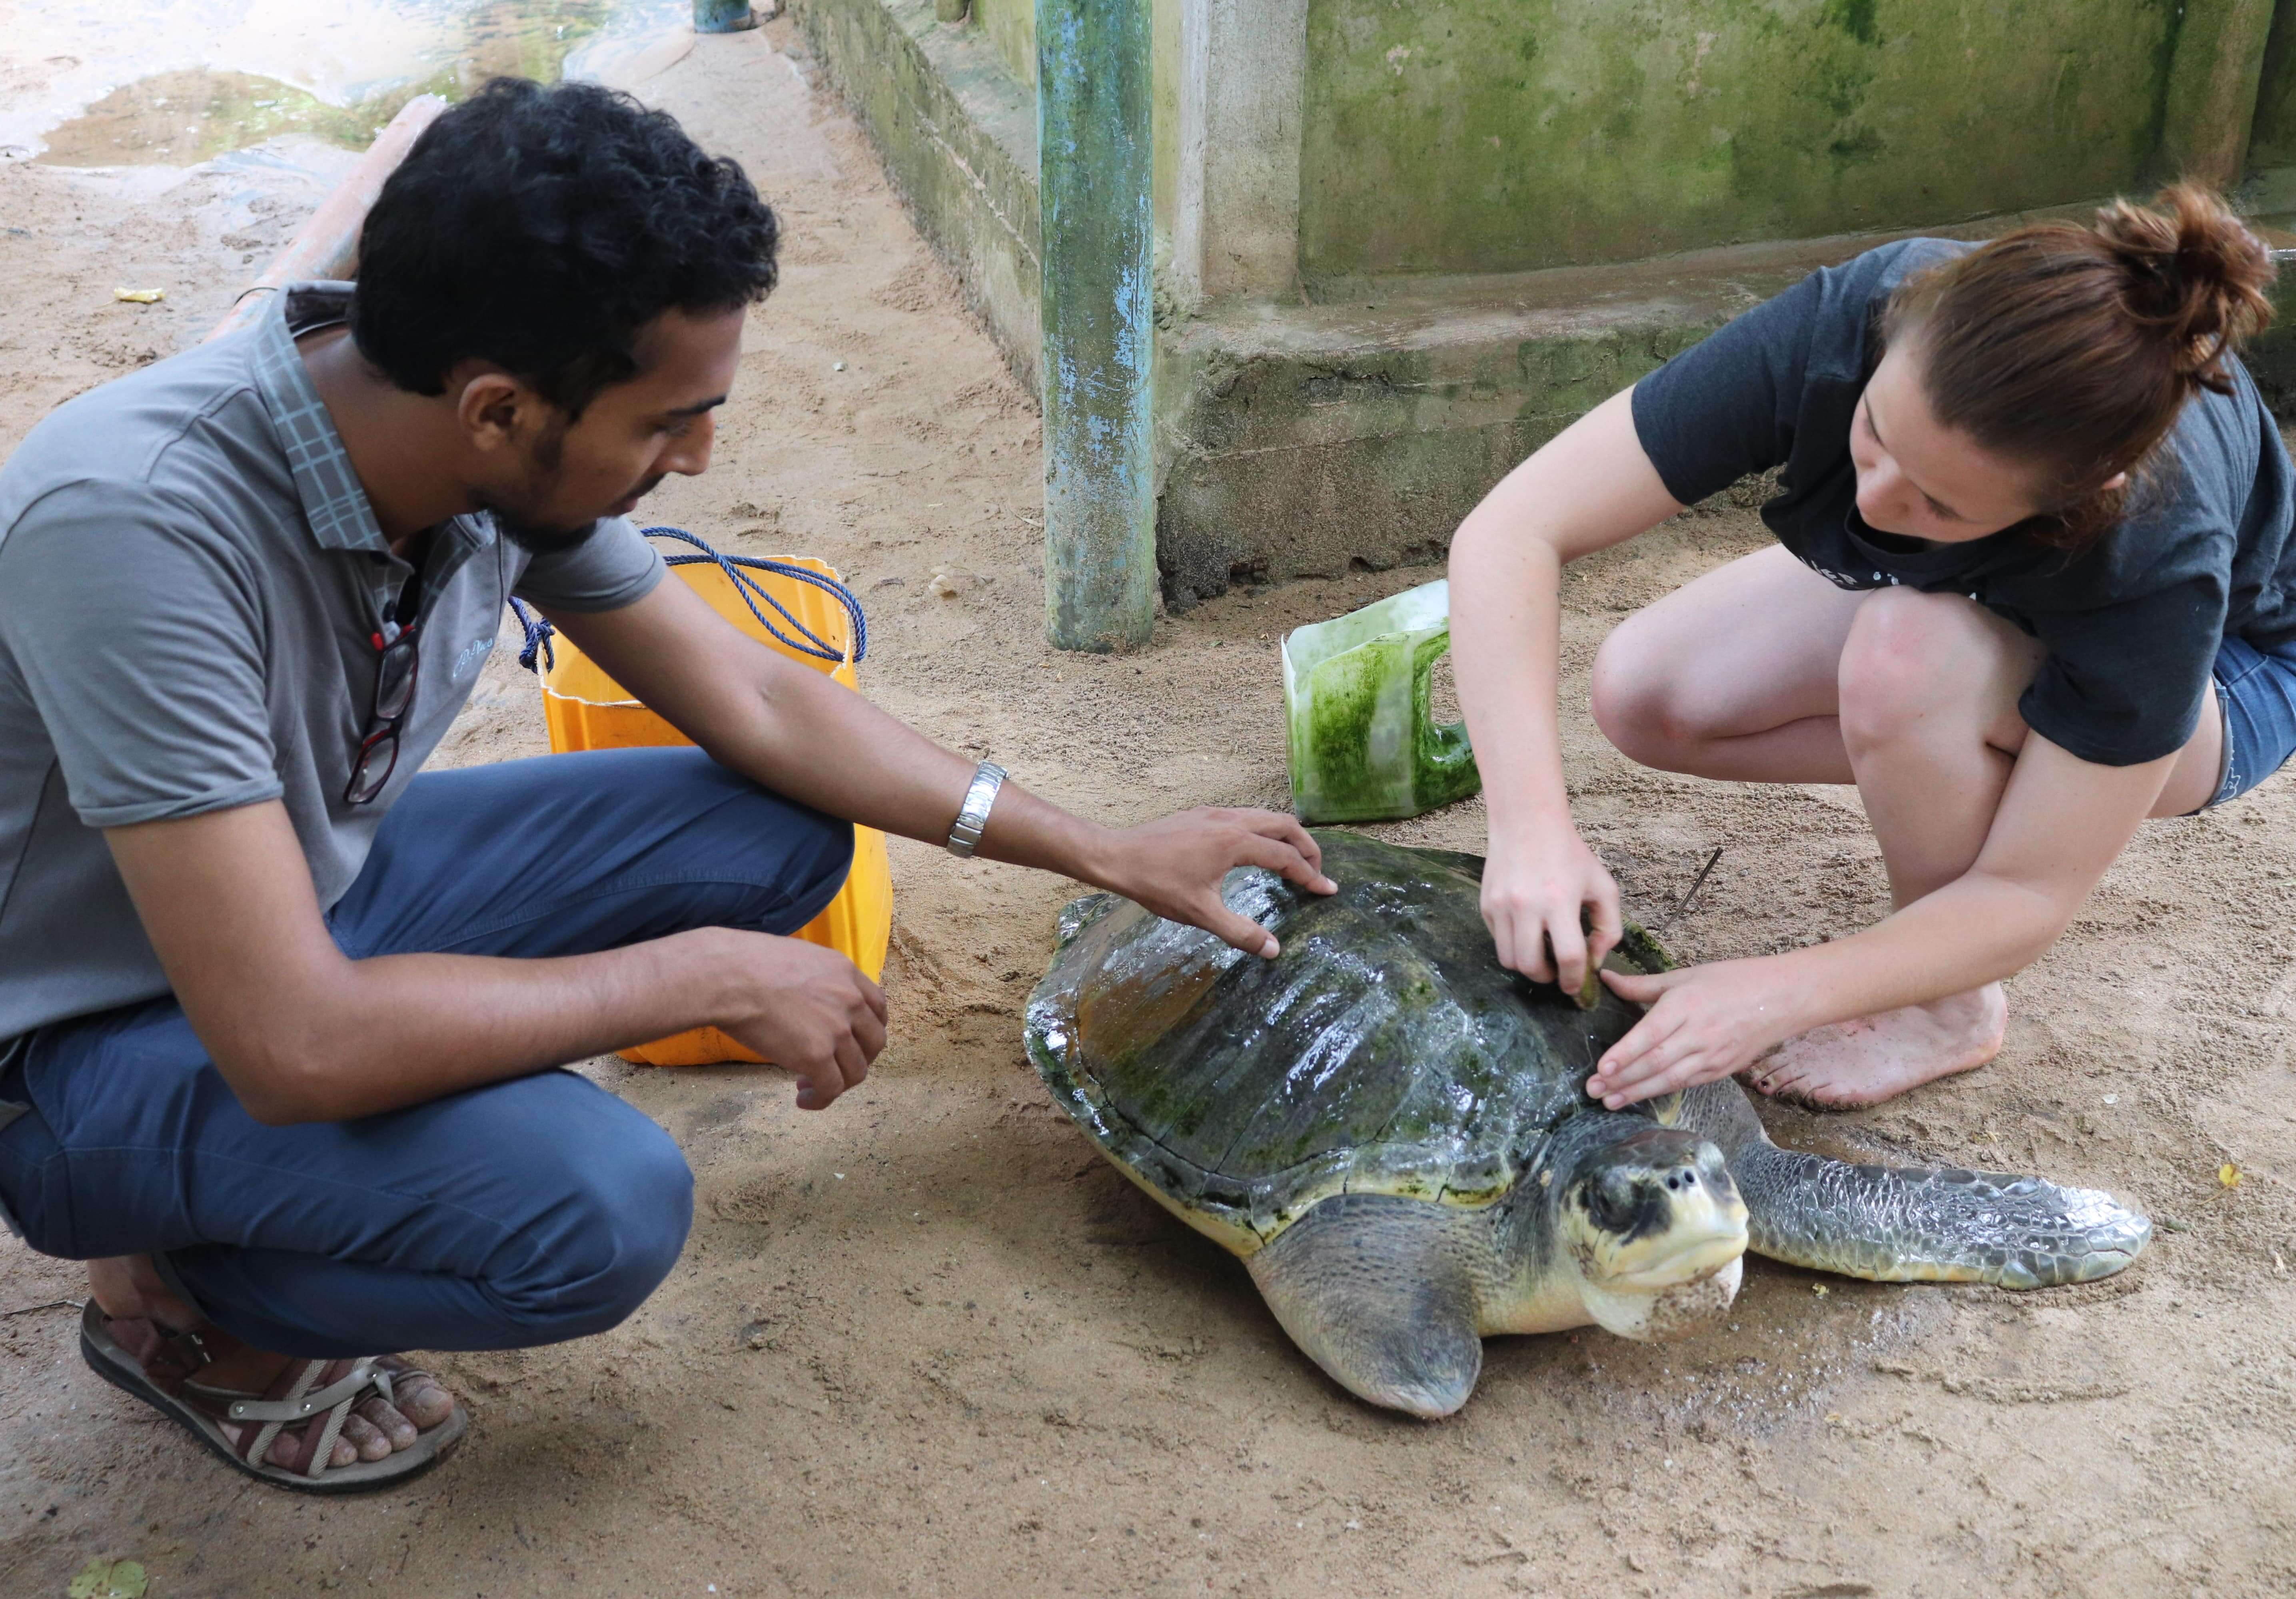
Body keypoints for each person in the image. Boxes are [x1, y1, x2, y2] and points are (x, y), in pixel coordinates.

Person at [0, 79, 1334, 1491]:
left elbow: (755, 697)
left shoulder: (463, 440)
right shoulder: (133, 525)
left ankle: (294, 1170)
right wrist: (699, 974)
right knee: (595, 1207)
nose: (698, 455)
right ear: (501, 409)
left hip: (297, 892)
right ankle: (192, 1311)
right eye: (669, 422)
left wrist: (1103, 848)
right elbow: (297, 1043)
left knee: (777, 821)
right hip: (81, 1038)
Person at [1447, 185, 2296, 1117]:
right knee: (1647, 692)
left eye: (1940, 505)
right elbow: (1512, 529)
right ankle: (1987, 765)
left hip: (2234, 675)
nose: (1875, 504)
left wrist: (1780, 988)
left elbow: (2027, 894)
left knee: (1906, 660)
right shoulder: (1868, 309)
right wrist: (1529, 826)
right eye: (1872, 435)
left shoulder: (2159, 548)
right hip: (1975, 599)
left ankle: (1948, 1006)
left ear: (2082, 493)